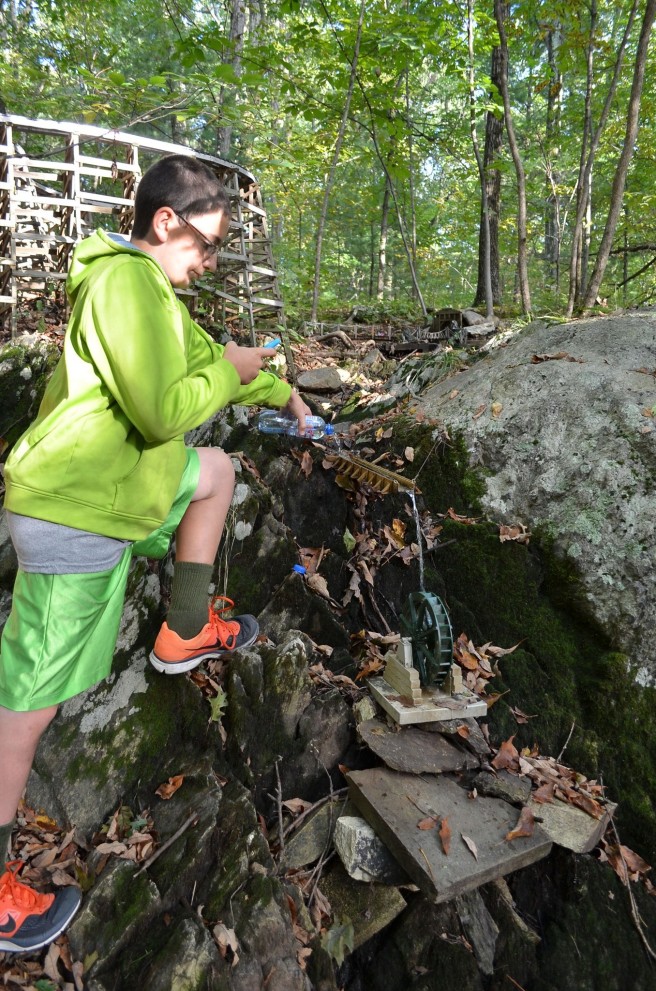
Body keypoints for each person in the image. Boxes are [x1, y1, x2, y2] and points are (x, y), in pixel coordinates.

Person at [0, 154, 309, 953]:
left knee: (216, 471)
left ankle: (183, 629)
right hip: (79, 511)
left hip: (118, 486)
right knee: (24, 706)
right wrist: (231, 372)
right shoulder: (124, 283)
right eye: (205, 244)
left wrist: (281, 392)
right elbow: (165, 404)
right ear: (165, 221)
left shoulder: (152, 293)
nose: (209, 262)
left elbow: (208, 365)